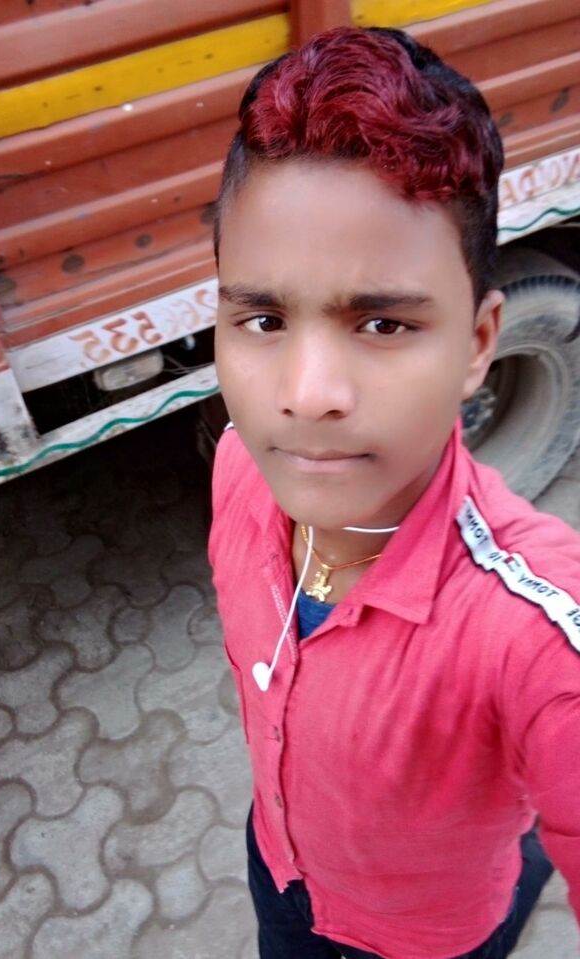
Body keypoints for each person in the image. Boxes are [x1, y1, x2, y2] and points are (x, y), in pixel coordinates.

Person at [207, 25, 580, 959]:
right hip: (277, 870)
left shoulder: (531, 630)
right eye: (263, 318)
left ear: (480, 343)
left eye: (381, 323)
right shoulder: (237, 467)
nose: (307, 394)